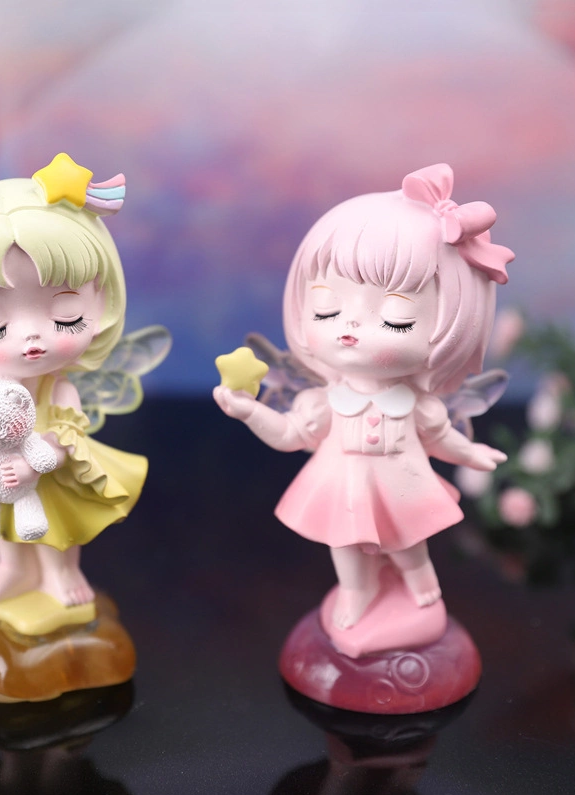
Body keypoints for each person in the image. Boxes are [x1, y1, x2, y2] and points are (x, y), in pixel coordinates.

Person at [214, 163, 512, 631]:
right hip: (341, 486)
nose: (350, 327)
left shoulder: (416, 405)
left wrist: (471, 453)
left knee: (408, 542)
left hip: (402, 485)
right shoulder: (325, 401)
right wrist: (250, 412)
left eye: (396, 319)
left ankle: (419, 580)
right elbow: (290, 435)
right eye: (326, 309)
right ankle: (358, 590)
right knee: (345, 545)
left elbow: (440, 438)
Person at [0, 153, 147, 613]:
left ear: (101, 305)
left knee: (57, 527)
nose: (31, 337)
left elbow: (68, 436)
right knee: (3, 524)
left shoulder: (58, 389)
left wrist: (39, 464)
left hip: (49, 475)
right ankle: (13, 567)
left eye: (67, 315)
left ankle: (62, 571)